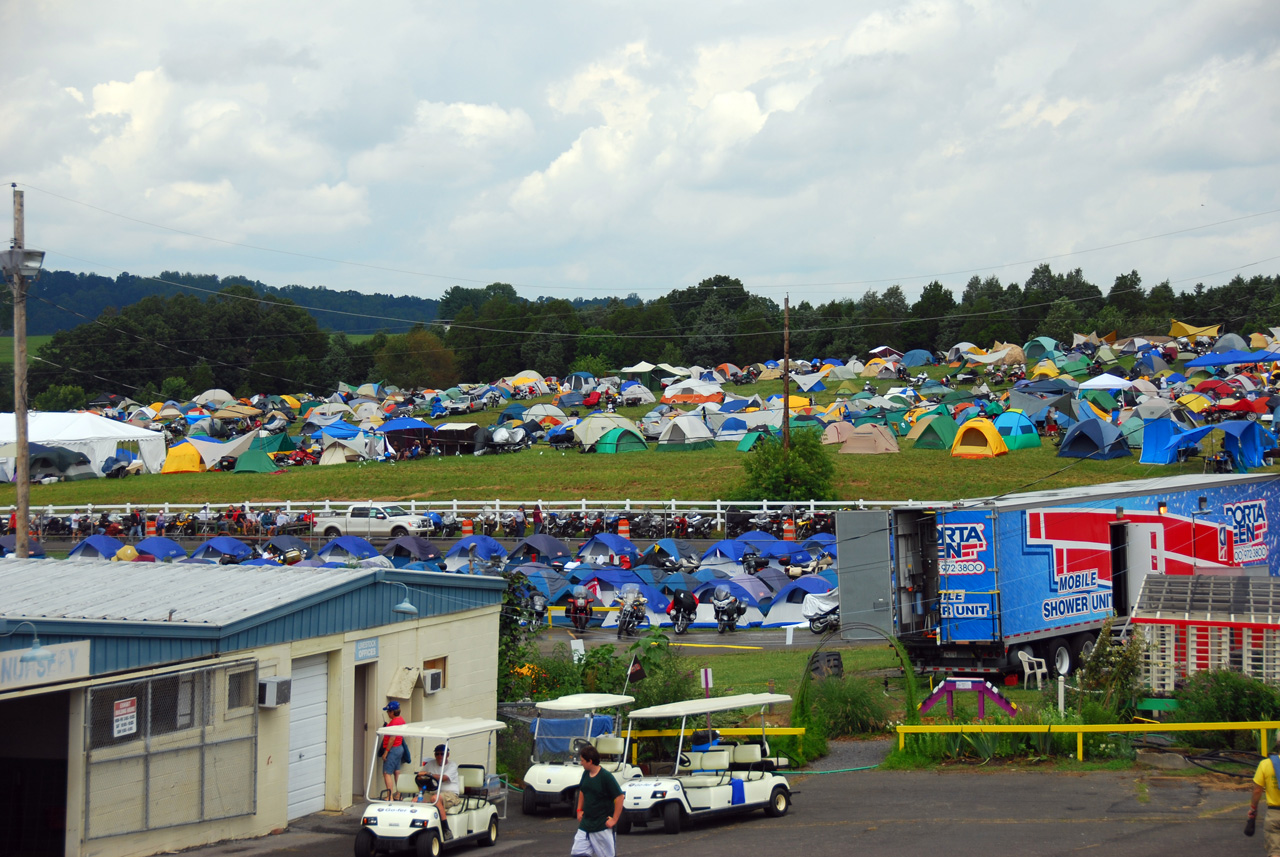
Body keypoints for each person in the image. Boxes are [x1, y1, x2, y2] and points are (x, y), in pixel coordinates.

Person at [572, 744, 624, 857]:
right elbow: (582, 791)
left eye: (582, 761)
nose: (581, 763)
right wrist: (579, 809)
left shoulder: (606, 777)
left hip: (601, 826)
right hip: (586, 825)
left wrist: (614, 819)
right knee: (578, 854)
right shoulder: (586, 774)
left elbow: (620, 797)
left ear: (590, 761)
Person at [1250, 734, 1280, 852]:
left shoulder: (1266, 764)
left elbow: (1257, 790)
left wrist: (1253, 809)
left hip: (1274, 814)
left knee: (1275, 852)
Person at [416, 743, 462, 813]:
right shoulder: (430, 764)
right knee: (415, 800)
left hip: (450, 794)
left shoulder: (452, 765)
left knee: (435, 799)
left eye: (442, 754)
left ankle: (443, 822)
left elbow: (444, 778)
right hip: (434, 793)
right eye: (437, 754)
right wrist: (420, 777)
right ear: (435, 755)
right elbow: (421, 775)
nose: (439, 756)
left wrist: (429, 774)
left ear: (447, 755)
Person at [380, 701, 408, 799]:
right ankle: (398, 794)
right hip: (399, 748)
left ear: (392, 712)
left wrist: (386, 752)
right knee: (397, 772)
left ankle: (389, 796)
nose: (387, 713)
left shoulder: (394, 722)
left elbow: (392, 738)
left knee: (387, 773)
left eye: (388, 711)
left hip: (393, 749)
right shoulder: (401, 720)